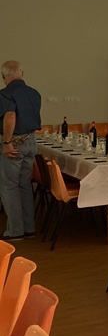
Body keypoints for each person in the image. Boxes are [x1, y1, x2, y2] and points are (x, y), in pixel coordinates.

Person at [1, 61, 42, 241]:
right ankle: (29, 228)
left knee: (9, 186)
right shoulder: (34, 93)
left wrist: (7, 142)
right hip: (31, 142)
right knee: (25, 184)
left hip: (14, 143)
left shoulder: (5, 94)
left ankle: (15, 231)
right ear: (21, 74)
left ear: (4, 76)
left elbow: (10, 116)